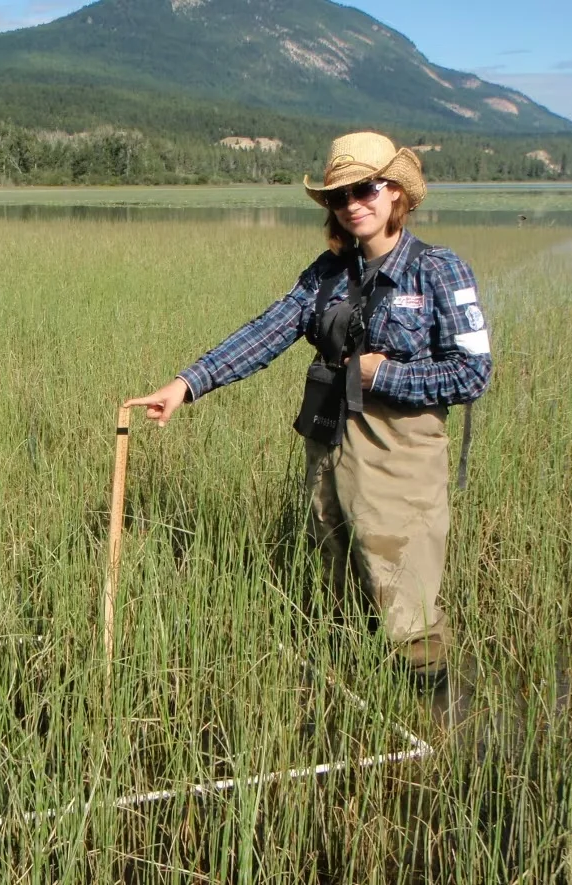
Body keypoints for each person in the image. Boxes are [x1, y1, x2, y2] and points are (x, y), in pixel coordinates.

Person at [124, 131, 492, 687]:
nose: (352, 205)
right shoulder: (326, 273)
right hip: (327, 439)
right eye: (340, 196)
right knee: (337, 573)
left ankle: (433, 721)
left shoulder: (438, 270)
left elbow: (472, 374)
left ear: (395, 192)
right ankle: (360, 696)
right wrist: (186, 384)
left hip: (401, 451)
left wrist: (380, 372)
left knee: (405, 601)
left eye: (364, 189)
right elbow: (266, 332)